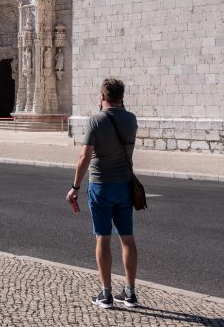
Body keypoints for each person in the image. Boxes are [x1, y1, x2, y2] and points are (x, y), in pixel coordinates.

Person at [66, 77, 139, 310]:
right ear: (122, 98)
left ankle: (106, 294)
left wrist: (75, 187)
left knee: (103, 238)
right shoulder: (131, 119)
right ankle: (130, 294)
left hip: (101, 185)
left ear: (102, 97)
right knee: (127, 238)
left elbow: (84, 156)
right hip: (125, 185)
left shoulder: (95, 121)